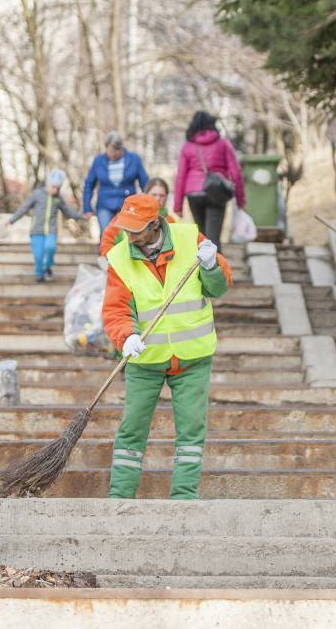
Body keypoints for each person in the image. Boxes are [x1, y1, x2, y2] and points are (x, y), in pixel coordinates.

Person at [101, 194, 233, 499]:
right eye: (126, 228)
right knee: (132, 429)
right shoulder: (119, 258)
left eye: (136, 230)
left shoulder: (190, 239)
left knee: (191, 431)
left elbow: (219, 287)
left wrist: (211, 266)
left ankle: (183, 498)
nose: (129, 235)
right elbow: (115, 309)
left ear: (155, 224)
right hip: (145, 360)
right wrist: (126, 336)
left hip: (192, 358)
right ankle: (120, 497)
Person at [173, 111, 245, 246]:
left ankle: (202, 259)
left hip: (194, 194)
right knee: (213, 240)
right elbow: (236, 173)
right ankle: (216, 259)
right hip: (216, 192)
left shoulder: (188, 146)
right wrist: (240, 200)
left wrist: (178, 205)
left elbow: (180, 176)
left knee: (202, 238)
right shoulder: (223, 144)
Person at [9, 170, 81, 282]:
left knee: (50, 247)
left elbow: (68, 211)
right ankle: (39, 275)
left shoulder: (58, 198)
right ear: (48, 184)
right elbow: (24, 207)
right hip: (36, 231)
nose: (55, 190)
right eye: (53, 186)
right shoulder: (37, 194)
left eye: (58, 188)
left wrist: (82, 216)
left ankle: (48, 267)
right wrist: (12, 220)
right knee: (38, 256)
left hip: (51, 231)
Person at [82, 131, 150, 233]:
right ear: (106, 148)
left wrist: (148, 204)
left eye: (117, 150)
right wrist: (87, 207)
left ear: (122, 148)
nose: (114, 153)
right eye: (111, 150)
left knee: (128, 234)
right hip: (105, 205)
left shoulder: (134, 159)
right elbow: (89, 184)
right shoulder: (98, 161)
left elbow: (145, 183)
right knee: (106, 233)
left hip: (127, 206)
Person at [97, 177, 180, 257]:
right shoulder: (124, 217)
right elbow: (107, 241)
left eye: (162, 195)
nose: (158, 198)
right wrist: (115, 260)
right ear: (146, 194)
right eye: (154, 195)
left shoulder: (171, 221)